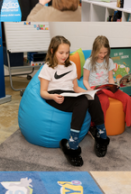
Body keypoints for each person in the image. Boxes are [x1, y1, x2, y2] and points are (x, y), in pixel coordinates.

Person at [39, 36, 110, 167]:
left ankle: (102, 136)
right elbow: (43, 92)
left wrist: (88, 93)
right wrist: (53, 96)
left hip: (70, 94)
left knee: (92, 98)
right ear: (52, 51)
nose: (65, 56)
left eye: (67, 52)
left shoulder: (71, 65)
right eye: (61, 53)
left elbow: (75, 87)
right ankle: (72, 145)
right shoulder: (47, 67)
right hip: (55, 97)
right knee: (82, 102)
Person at [83, 35, 131, 136]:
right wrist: (89, 89)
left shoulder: (109, 61)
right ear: (94, 50)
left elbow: (110, 77)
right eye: (100, 52)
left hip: (107, 87)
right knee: (104, 102)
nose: (102, 55)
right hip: (95, 89)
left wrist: (114, 84)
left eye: (105, 52)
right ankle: (96, 126)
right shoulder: (89, 62)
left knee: (127, 98)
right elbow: (85, 79)